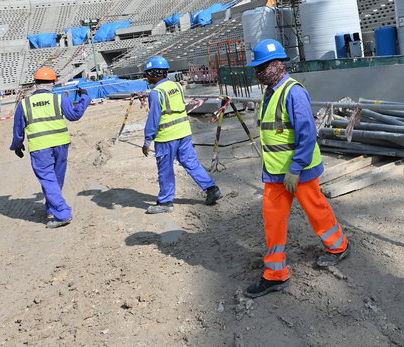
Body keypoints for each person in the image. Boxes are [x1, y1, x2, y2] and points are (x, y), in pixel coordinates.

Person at [244, 39, 349, 298]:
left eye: (264, 66)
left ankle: (338, 247)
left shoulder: (294, 92)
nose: (260, 71)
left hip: (298, 172)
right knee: (273, 221)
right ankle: (275, 274)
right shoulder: (270, 92)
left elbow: (307, 133)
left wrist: (296, 168)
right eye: (258, 67)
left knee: (316, 210)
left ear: (279, 64)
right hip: (276, 173)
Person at [10, 67, 91, 229]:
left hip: (40, 148)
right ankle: (51, 208)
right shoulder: (59, 99)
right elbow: (74, 115)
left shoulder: (24, 104)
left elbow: (18, 129)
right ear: (53, 82)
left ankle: (62, 213)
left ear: (36, 83)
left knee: (48, 179)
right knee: (56, 178)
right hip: (61, 144)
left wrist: (17, 146)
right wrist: (85, 98)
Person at [140, 56, 221, 212]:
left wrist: (147, 140)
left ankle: (165, 202)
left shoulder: (156, 93)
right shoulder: (176, 86)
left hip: (167, 137)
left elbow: (154, 118)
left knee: (165, 170)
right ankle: (211, 189)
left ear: (154, 73)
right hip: (184, 132)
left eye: (148, 74)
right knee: (191, 163)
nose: (147, 77)